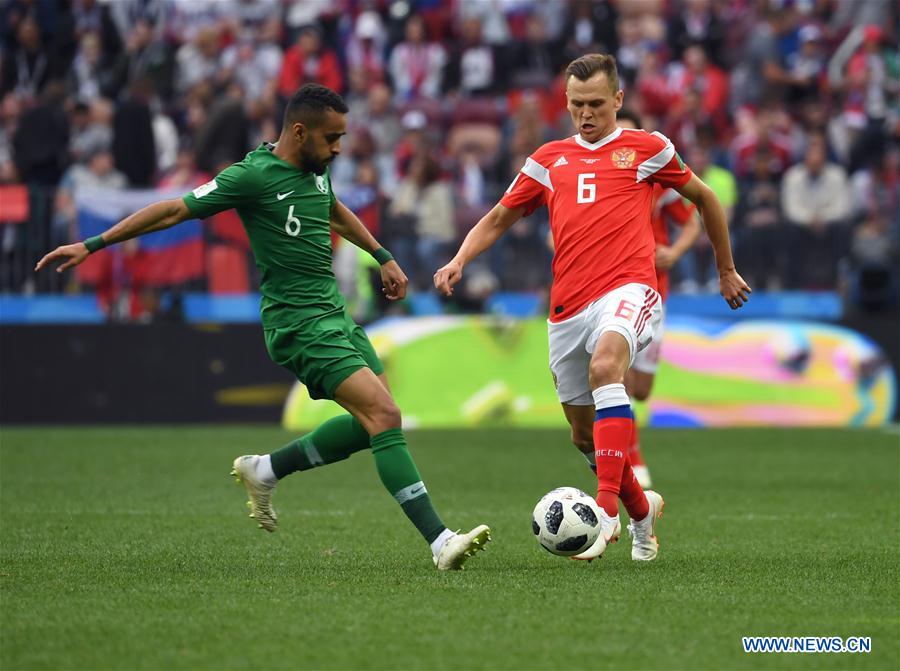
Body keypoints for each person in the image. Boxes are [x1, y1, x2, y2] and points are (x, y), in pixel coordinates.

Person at [36, 83, 490, 571]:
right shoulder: (252, 176)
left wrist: (382, 255)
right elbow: (174, 210)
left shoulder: (315, 170)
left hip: (335, 315)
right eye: (332, 138)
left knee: (373, 424)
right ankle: (440, 541)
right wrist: (94, 244)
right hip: (298, 324)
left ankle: (266, 469)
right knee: (384, 415)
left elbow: (332, 208)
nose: (339, 148)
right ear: (300, 132)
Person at [435, 54, 749, 563]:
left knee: (607, 369)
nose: (586, 114)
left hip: (630, 290)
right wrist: (459, 260)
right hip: (567, 307)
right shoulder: (548, 159)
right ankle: (642, 512)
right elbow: (497, 219)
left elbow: (706, 199)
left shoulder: (647, 149)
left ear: (618, 100)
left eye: (597, 104)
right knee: (585, 437)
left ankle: (604, 514)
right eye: (577, 104)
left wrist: (726, 270)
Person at [615, 109, 702, 489]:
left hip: (655, 292)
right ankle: (632, 459)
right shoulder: (601, 180)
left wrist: (676, 252)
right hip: (616, 288)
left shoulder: (658, 180)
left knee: (641, 389)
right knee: (616, 375)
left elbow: (693, 219)